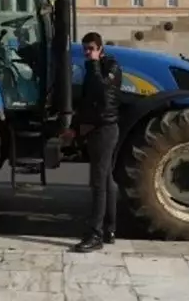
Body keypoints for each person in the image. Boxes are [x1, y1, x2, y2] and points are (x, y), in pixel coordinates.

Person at [72, 32, 123, 252]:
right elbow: (86, 101)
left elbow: (102, 92)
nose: (88, 52)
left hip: (105, 130)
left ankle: (95, 235)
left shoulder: (110, 67)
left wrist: (93, 64)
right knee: (107, 180)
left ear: (100, 48)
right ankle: (110, 229)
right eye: (85, 48)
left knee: (98, 183)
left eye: (91, 48)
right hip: (96, 130)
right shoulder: (94, 68)